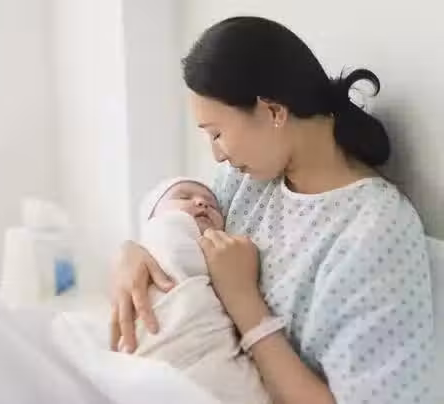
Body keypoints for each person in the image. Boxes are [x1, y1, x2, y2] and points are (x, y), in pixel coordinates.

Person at [109, 16, 435, 404]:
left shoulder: (375, 233)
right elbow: (180, 241)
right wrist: (136, 251)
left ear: (273, 112)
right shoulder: (246, 181)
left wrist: (244, 302)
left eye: (217, 133)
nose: (217, 155)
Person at [128, 177, 269, 404]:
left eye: (212, 205)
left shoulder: (227, 253)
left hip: (212, 350)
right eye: (184, 197)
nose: (202, 203)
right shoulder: (161, 234)